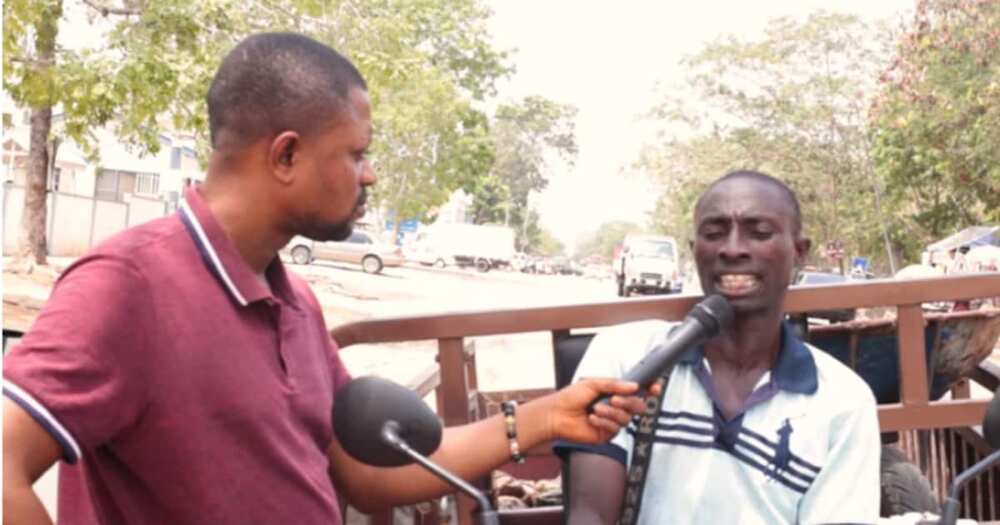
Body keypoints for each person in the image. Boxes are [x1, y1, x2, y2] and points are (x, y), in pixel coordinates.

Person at [2, 33, 650, 525]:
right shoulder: (129, 284)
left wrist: (541, 420)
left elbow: (366, 471)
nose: (368, 176)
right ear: (285, 154)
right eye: (356, 154)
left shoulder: (295, 301)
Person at [557, 170, 880, 524]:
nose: (733, 249)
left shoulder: (844, 402)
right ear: (696, 252)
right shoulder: (626, 355)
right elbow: (590, 516)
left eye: (759, 233)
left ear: (799, 252)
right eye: (714, 234)